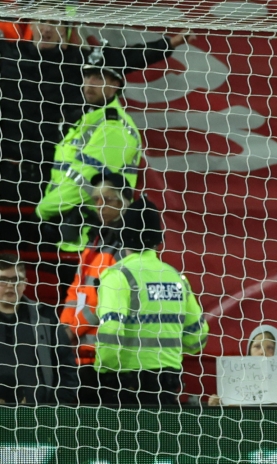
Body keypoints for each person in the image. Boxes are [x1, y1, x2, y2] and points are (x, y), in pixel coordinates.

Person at [0, 23, 179, 208]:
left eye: (55, 24)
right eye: (42, 22)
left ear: (64, 30)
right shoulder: (7, 55)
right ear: (32, 25)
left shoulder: (78, 62)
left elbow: (124, 58)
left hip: (53, 176)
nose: (47, 29)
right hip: (9, 170)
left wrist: (167, 45)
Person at [95, 197, 209, 407]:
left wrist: (104, 369)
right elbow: (197, 338)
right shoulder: (176, 277)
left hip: (125, 386)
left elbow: (111, 328)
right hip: (167, 385)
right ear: (158, 239)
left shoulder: (117, 276)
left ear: (123, 236)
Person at [34, 49, 142, 257]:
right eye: (87, 75)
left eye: (99, 77)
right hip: (71, 236)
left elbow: (83, 185)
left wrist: (41, 211)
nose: (90, 82)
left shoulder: (114, 127)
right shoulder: (87, 120)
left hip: (93, 239)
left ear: (115, 84)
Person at [59, 177, 133, 402]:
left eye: (107, 199)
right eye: (96, 199)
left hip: (107, 358)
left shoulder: (126, 246)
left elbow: (104, 299)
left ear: (123, 202)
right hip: (81, 353)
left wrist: (72, 330)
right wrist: (64, 327)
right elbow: (76, 291)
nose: (100, 204)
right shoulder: (96, 240)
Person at [0, 254, 77, 404]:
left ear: (25, 283)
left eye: (16, 279)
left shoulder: (46, 319)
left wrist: (54, 408)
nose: (10, 285)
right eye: (3, 280)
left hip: (38, 417)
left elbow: (66, 368)